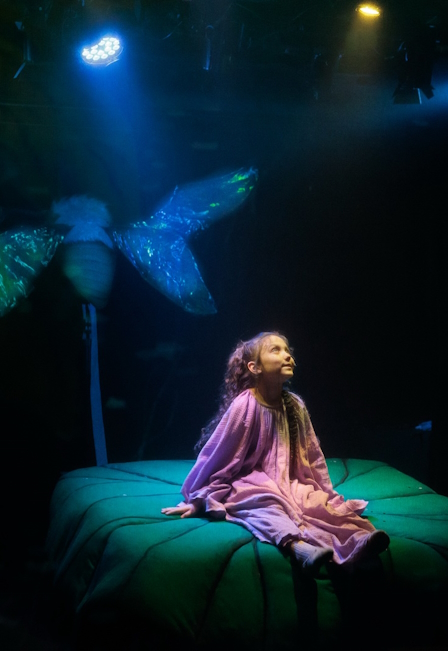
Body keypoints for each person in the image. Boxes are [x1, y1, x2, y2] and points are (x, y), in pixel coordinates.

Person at [161, 332, 389, 576]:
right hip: (250, 482)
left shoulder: (295, 405)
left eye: (287, 350)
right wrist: (198, 499)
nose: (287, 356)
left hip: (290, 482)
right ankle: (300, 549)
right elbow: (219, 455)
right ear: (254, 367)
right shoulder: (245, 404)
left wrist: (324, 492)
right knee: (268, 505)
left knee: (316, 504)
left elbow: (312, 456)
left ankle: (360, 541)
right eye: (276, 350)